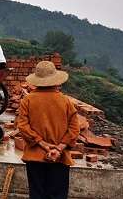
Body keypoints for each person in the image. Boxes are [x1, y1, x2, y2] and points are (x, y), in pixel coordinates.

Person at [18, 61, 80, 199]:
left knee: (37, 195)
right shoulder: (65, 102)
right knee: (57, 195)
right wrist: (58, 149)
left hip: (34, 156)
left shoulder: (27, 101)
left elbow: (23, 127)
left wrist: (43, 144)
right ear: (56, 81)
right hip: (59, 158)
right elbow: (74, 129)